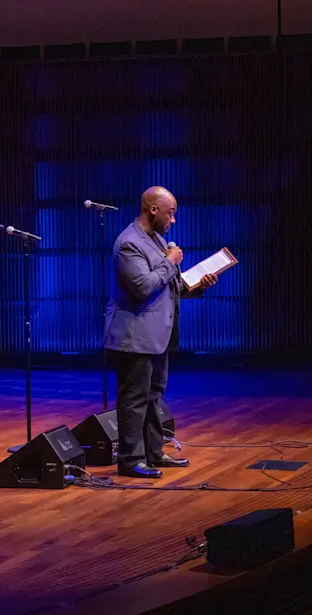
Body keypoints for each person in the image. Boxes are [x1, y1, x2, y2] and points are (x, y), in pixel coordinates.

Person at [104, 186, 217, 478]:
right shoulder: (129, 243)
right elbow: (142, 287)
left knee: (154, 395)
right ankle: (130, 460)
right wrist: (170, 261)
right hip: (135, 336)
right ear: (152, 210)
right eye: (171, 213)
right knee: (135, 398)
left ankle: (154, 453)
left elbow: (170, 286)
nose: (174, 220)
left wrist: (198, 284)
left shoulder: (157, 240)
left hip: (157, 335)